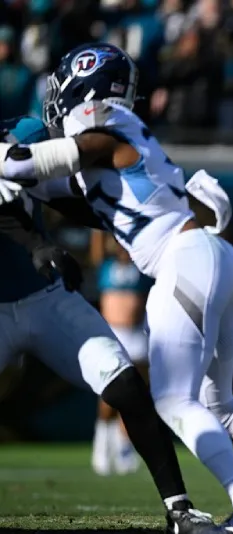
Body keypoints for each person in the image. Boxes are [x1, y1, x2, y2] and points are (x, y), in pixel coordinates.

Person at [0, 43, 233, 534]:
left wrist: (7, 154)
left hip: (182, 260)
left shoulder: (102, 126)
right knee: (220, 403)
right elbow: (68, 195)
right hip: (213, 257)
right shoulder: (118, 142)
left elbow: (21, 167)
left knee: (172, 401)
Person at [0, 115, 213, 533]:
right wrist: (40, 247)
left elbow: (80, 202)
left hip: (44, 298)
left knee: (127, 385)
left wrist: (158, 210)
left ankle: (179, 509)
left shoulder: (28, 142)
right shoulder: (15, 149)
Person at [90, 232, 152, 476]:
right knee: (110, 394)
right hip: (113, 334)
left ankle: (125, 446)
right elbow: (96, 248)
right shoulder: (105, 267)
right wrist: (98, 226)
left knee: (136, 395)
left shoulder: (141, 269)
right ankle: (102, 443)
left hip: (137, 336)